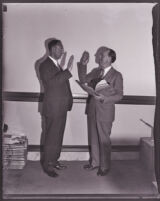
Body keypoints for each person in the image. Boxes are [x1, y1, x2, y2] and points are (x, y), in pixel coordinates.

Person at [77, 47, 123, 176]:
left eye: (102, 56)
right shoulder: (96, 72)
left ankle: (104, 166)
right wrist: (83, 65)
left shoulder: (117, 75)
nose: (99, 58)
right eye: (100, 56)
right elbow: (83, 80)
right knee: (93, 138)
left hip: (105, 111)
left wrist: (105, 98)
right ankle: (95, 163)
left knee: (104, 140)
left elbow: (120, 95)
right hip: (92, 109)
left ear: (110, 58)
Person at [39, 39, 74, 177]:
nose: (62, 51)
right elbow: (52, 84)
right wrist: (68, 70)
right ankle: (48, 166)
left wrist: (64, 70)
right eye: (61, 48)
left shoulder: (57, 65)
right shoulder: (44, 65)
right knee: (51, 137)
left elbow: (60, 84)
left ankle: (54, 161)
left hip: (61, 107)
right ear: (53, 49)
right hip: (53, 108)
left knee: (58, 136)